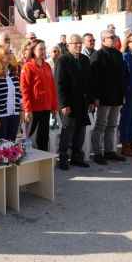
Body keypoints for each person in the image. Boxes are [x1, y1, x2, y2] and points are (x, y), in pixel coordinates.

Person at [89, 30, 127, 165]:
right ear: (103, 40)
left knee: (113, 125)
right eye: (111, 37)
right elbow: (93, 79)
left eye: (115, 37)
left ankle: (110, 150)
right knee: (100, 125)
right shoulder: (97, 55)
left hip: (116, 96)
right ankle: (97, 152)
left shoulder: (118, 54)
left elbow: (122, 76)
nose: (114, 39)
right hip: (103, 97)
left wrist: (123, 94)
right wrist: (95, 97)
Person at [55, 34, 93, 170]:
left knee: (80, 131)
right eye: (75, 43)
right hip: (69, 103)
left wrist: (91, 100)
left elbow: (89, 82)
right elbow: (59, 84)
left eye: (80, 43)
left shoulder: (84, 59)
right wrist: (63, 104)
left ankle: (77, 157)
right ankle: (63, 158)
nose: (78, 45)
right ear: (69, 45)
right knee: (67, 132)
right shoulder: (63, 60)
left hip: (82, 102)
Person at [20, 41, 57, 150]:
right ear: (33, 51)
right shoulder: (28, 67)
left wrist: (54, 106)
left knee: (43, 138)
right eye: (40, 49)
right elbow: (25, 90)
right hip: (33, 109)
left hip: (46, 108)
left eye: (44, 49)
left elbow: (52, 87)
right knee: (31, 138)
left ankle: (44, 163)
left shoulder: (47, 66)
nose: (43, 51)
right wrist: (27, 109)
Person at [0, 45, 22, 142]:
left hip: (14, 115)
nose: (10, 55)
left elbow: (19, 95)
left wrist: (21, 112)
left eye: (10, 52)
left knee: (12, 144)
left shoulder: (13, 75)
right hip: (0, 116)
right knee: (1, 146)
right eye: (6, 53)